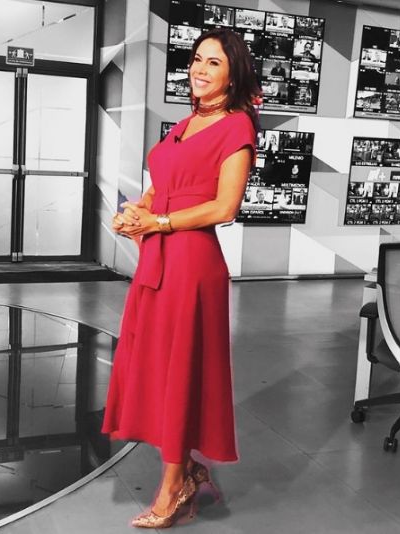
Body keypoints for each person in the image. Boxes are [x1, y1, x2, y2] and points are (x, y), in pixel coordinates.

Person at [103, 28, 261, 529]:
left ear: (232, 75)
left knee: (182, 372)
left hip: (193, 266)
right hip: (156, 259)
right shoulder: (185, 124)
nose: (200, 69)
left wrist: (161, 222)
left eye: (213, 62)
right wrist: (137, 213)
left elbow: (224, 207)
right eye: (197, 59)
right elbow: (160, 188)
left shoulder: (237, 127)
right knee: (155, 367)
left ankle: (172, 488)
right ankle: (187, 470)